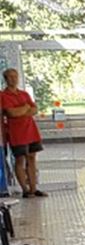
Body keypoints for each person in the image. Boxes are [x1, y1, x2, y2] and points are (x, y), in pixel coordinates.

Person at [1, 68, 46, 198]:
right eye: (10, 77)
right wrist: (25, 108)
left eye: (15, 76)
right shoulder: (3, 96)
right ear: (6, 79)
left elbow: (34, 109)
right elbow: (12, 113)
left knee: (32, 158)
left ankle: (33, 187)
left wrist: (24, 110)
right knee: (20, 159)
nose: (13, 79)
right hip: (17, 133)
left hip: (31, 131)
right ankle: (25, 189)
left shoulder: (24, 94)